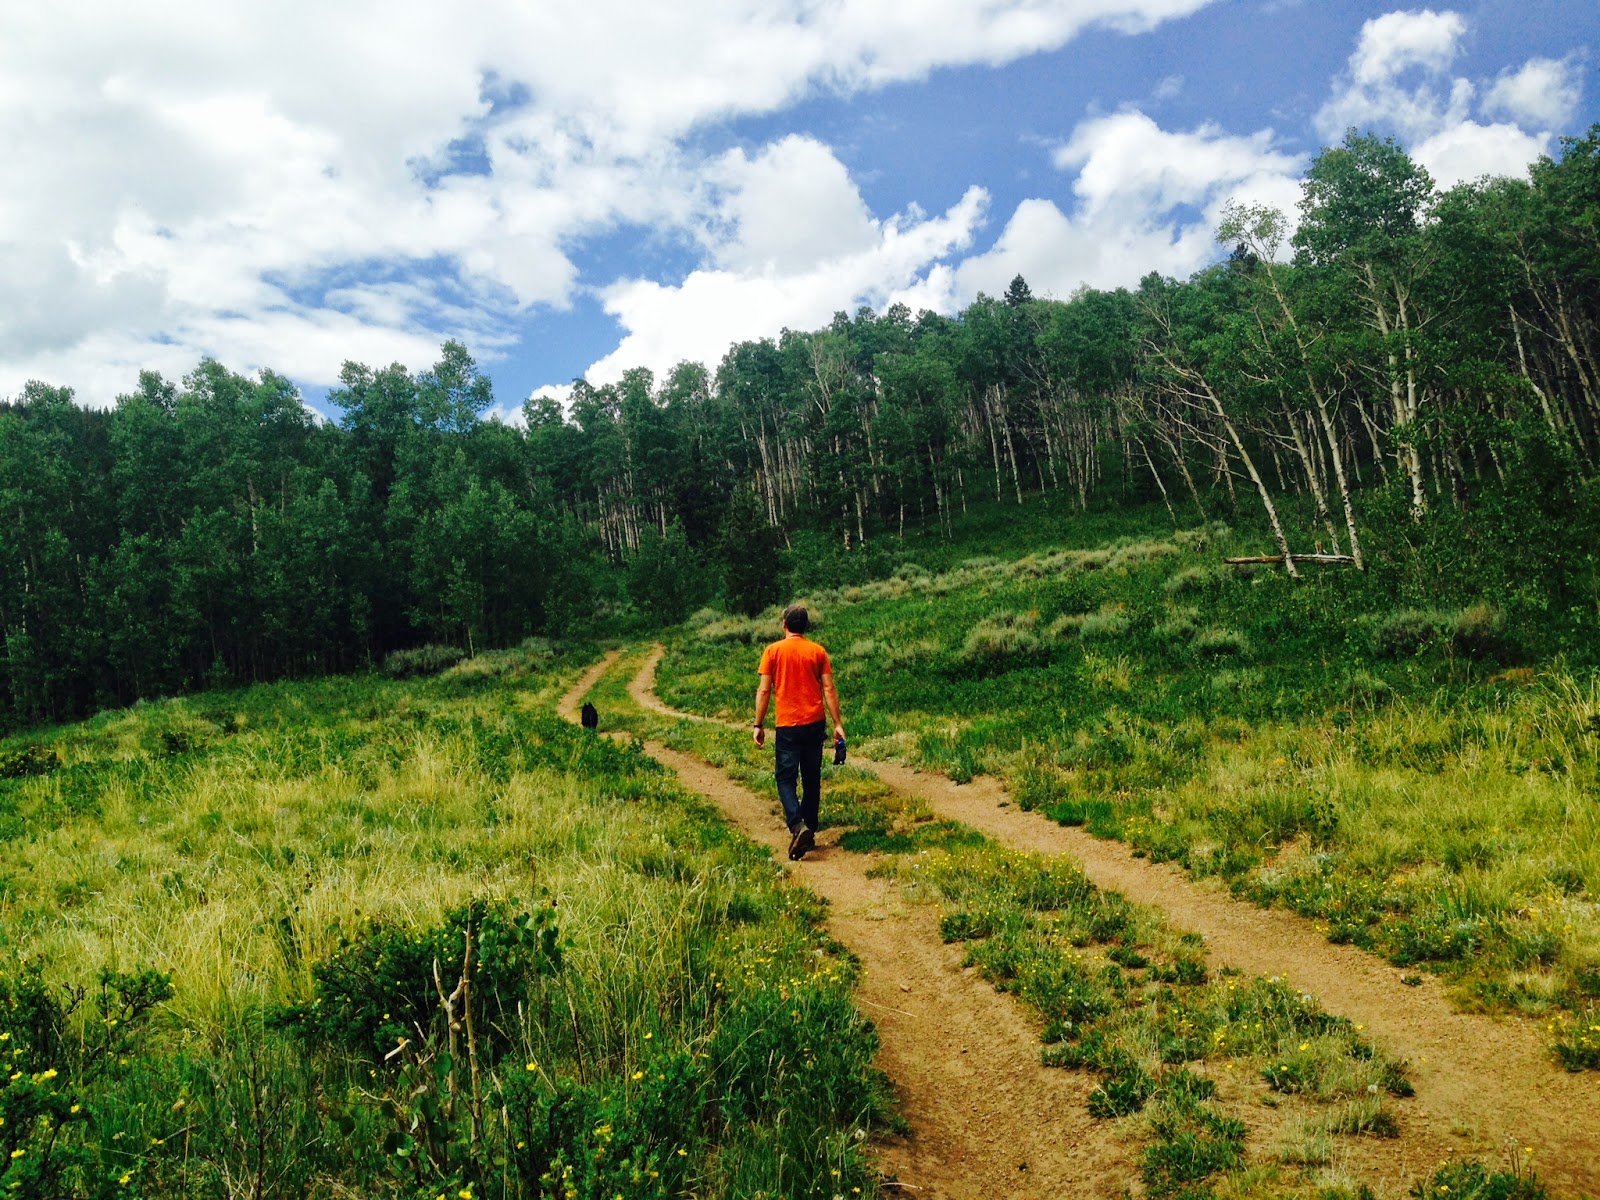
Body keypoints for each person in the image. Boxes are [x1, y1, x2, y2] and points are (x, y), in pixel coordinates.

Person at [753, 603, 845, 861]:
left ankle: (797, 825)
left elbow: (764, 691)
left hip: (788, 725)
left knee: (785, 779)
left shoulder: (772, 651)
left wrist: (758, 724)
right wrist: (838, 724)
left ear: (784, 624)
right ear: (805, 626)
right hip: (814, 723)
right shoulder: (817, 651)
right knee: (812, 777)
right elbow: (828, 689)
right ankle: (810, 829)